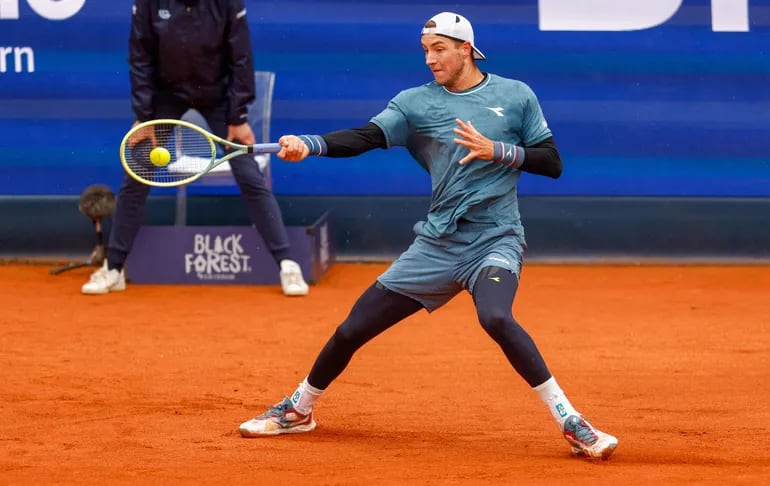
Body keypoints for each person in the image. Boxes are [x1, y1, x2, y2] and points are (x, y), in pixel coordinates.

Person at [238, 12, 618, 458]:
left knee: (495, 317)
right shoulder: (414, 104)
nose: (431, 60)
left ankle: (572, 422)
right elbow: (365, 137)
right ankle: (299, 410)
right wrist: (311, 143)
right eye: (426, 51)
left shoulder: (515, 96)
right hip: (436, 244)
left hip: (495, 238)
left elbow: (551, 162)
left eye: (439, 49)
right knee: (352, 330)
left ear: (466, 49)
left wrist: (496, 150)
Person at [81, 0, 308, 297]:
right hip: (166, 96)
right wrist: (145, 115)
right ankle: (114, 268)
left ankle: (287, 265)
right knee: (136, 170)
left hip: (218, 97)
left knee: (249, 174)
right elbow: (140, 58)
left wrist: (238, 116)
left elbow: (241, 57)